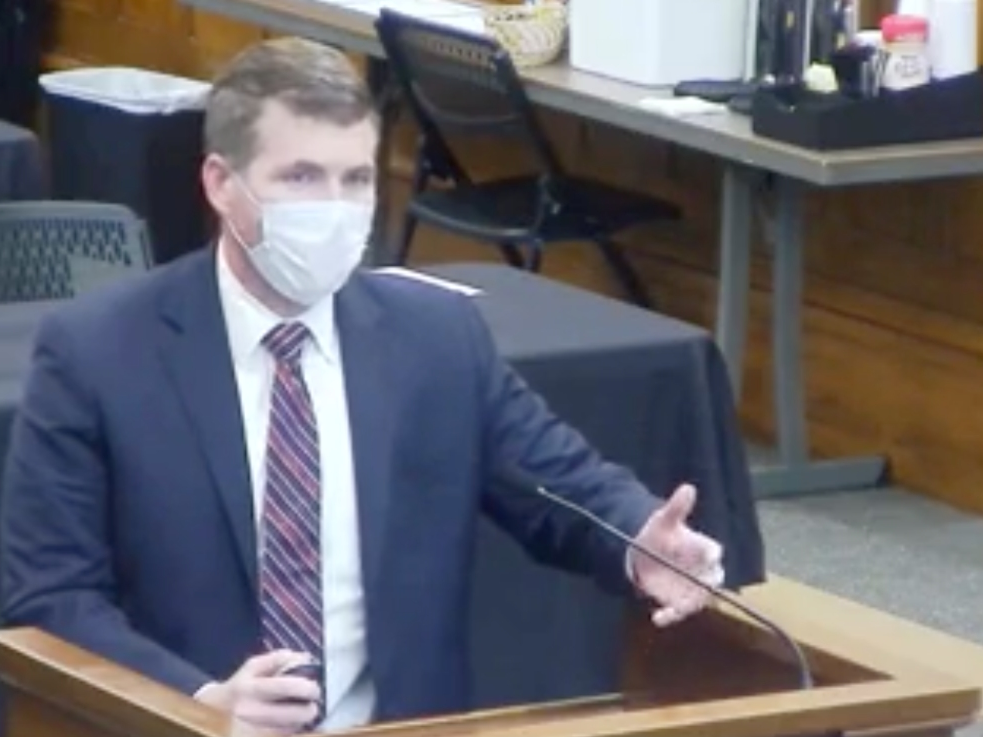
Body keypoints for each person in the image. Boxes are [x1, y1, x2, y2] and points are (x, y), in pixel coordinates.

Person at [0, 38, 724, 736]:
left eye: (356, 180)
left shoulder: (436, 339)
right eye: (301, 178)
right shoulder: (99, 352)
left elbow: (557, 482)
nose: (334, 207)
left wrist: (637, 537)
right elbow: (49, 594)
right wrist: (196, 703)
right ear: (221, 184)